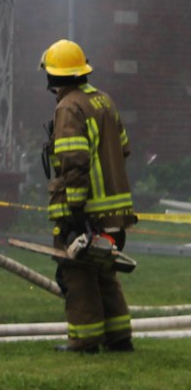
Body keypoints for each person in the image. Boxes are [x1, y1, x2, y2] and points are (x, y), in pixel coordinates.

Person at [40, 39, 136, 354]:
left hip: (87, 209)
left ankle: (84, 339)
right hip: (115, 210)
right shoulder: (104, 101)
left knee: (78, 272)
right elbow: (123, 147)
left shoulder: (69, 107)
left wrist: (75, 211)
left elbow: (74, 163)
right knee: (105, 272)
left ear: (54, 76)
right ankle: (119, 337)